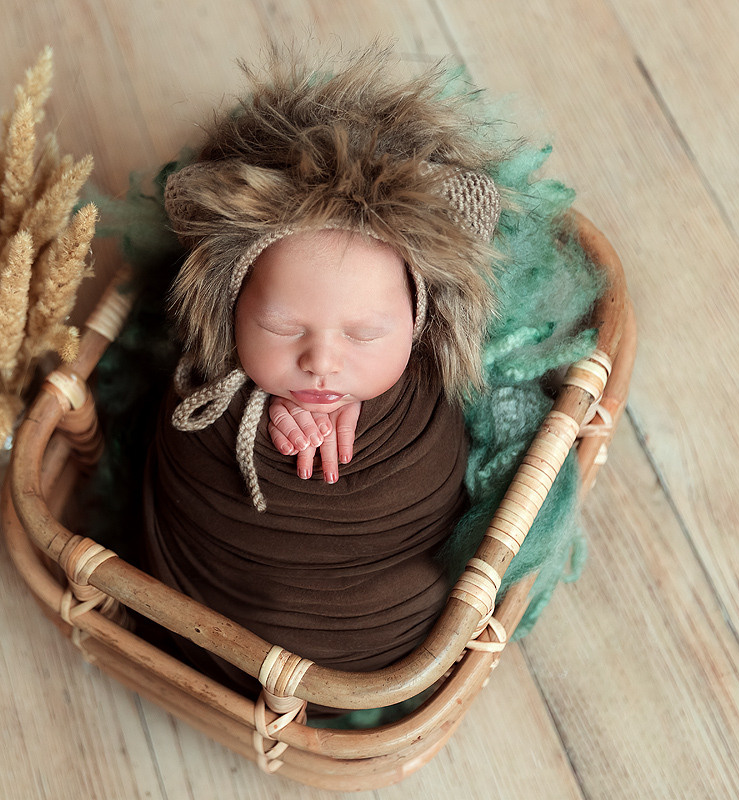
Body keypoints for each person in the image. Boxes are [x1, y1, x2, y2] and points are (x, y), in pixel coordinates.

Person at [142, 47, 503, 697]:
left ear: (421, 327)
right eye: (283, 327)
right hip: (210, 616)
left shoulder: (425, 399)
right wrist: (256, 402)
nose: (322, 362)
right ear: (229, 309)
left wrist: (370, 409)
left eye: (365, 335)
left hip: (383, 640)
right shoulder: (204, 386)